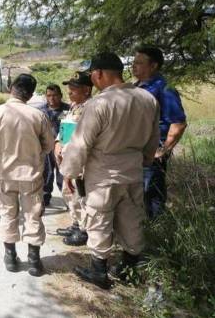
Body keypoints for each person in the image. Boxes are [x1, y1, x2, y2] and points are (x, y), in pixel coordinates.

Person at [60, 52, 160, 289]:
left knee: (99, 220)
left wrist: (69, 173)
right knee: (131, 219)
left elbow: (81, 143)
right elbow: (153, 140)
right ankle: (129, 269)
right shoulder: (148, 99)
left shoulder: (99, 103)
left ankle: (99, 272)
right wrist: (143, 161)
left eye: (93, 75)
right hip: (133, 172)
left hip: (103, 175)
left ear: (99, 74)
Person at [0, 74, 55, 276]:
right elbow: (49, 145)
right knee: (33, 216)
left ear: (10, 87)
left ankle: (11, 258)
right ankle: (34, 261)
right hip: (31, 176)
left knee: (7, 215)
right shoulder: (38, 115)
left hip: (4, 177)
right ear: (30, 95)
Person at [132, 45, 187, 219]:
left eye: (139, 63)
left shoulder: (164, 88)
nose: (134, 66)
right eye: (133, 62)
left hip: (152, 152)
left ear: (153, 66)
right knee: (137, 195)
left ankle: (156, 234)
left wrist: (162, 150)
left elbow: (178, 123)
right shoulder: (136, 87)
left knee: (151, 195)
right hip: (134, 151)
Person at [54, 71, 93, 246]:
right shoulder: (74, 106)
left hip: (79, 163)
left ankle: (84, 230)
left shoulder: (90, 108)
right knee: (68, 193)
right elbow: (65, 129)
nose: (69, 92)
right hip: (66, 160)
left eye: (74, 89)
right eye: (69, 89)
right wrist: (57, 142)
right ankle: (76, 223)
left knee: (79, 196)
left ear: (86, 90)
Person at [37, 84, 70, 206]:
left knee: (63, 175)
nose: (52, 98)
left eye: (55, 95)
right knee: (46, 174)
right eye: (49, 95)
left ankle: (68, 201)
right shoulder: (40, 111)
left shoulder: (69, 109)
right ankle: (45, 199)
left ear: (60, 96)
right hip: (46, 148)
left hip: (63, 148)